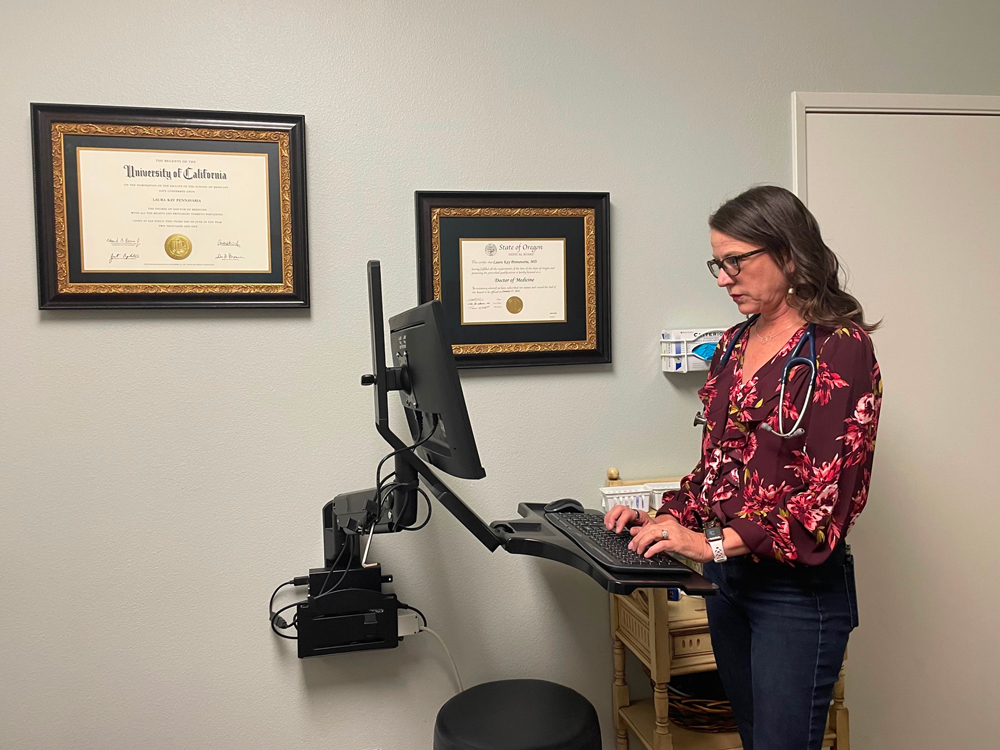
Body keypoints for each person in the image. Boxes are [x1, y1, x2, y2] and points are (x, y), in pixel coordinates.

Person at [605, 185, 881, 750]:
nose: (723, 278)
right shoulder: (733, 343)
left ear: (789, 253)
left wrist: (706, 544)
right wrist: (661, 519)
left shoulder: (839, 347)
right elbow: (716, 468)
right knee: (754, 740)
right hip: (731, 583)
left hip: (795, 594)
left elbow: (822, 503)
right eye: (718, 262)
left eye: (736, 261)